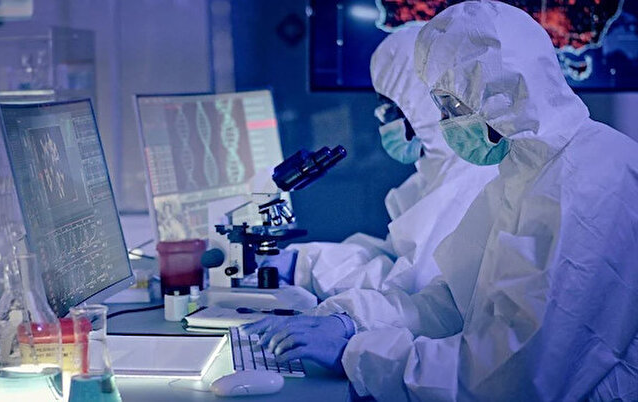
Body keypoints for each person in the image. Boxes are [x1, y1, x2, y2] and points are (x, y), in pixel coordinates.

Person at [245, 1, 638, 400]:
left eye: (452, 106)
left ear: (503, 94)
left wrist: (358, 353)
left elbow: (513, 377)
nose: (446, 123)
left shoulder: (586, 180)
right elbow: (455, 299)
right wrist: (351, 323)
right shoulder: (522, 172)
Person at [284, 25, 497, 301]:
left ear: (419, 105)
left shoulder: (466, 179)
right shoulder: (434, 173)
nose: (384, 120)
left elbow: (406, 286)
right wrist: (301, 262)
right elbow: (392, 254)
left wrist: (306, 270)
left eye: (388, 108)